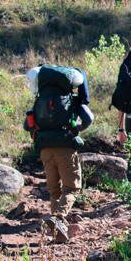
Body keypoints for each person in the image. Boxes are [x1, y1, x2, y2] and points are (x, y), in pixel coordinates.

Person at [23, 65, 93, 243]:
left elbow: (27, 125)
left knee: (55, 191)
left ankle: (57, 234)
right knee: (72, 188)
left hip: (45, 151)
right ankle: (59, 218)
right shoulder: (71, 100)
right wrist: (74, 131)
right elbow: (89, 119)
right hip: (65, 149)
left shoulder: (40, 100)